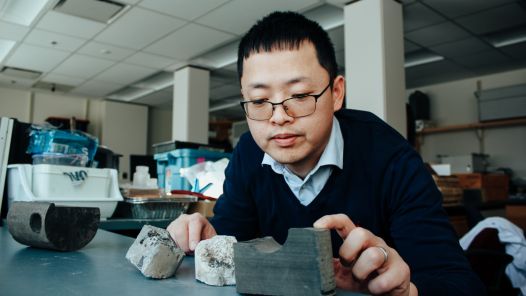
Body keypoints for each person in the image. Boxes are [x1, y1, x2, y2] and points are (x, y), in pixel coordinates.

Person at [168, 11, 485, 295]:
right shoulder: (248, 153)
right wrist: (209, 238)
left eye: (301, 95)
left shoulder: (390, 157)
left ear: (336, 93)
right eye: (260, 101)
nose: (279, 117)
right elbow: (233, 237)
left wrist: (407, 290)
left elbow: (458, 282)